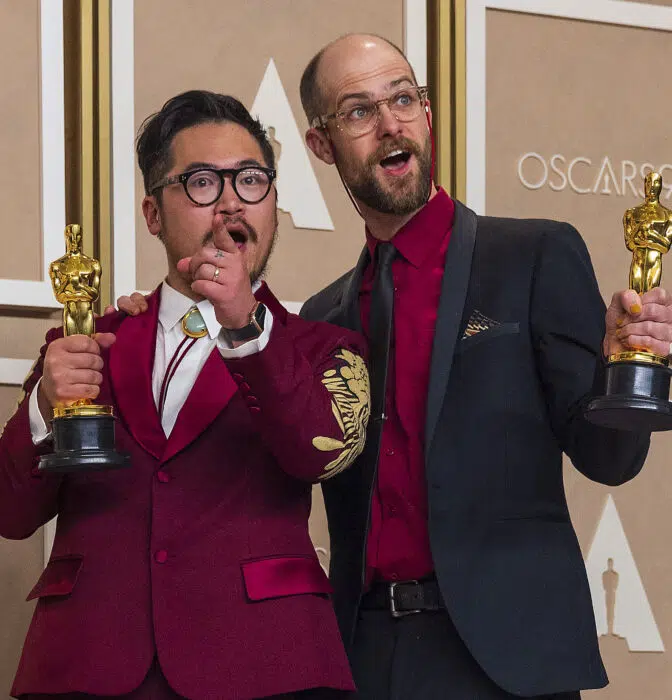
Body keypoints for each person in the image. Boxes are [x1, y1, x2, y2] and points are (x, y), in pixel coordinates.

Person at [295, 33, 672, 699]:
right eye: (358, 111)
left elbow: (610, 460)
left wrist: (623, 368)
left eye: (402, 99)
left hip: (509, 661)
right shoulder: (323, 319)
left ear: (426, 113)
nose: (390, 124)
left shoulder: (534, 256)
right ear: (321, 145)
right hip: (367, 659)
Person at [0, 90, 369, 700]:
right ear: (153, 214)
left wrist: (245, 326)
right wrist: (44, 407)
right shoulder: (88, 343)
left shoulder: (323, 348)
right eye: (201, 183)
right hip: (88, 664)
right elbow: (10, 515)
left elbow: (318, 454)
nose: (231, 203)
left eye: (251, 180)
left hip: (266, 666)